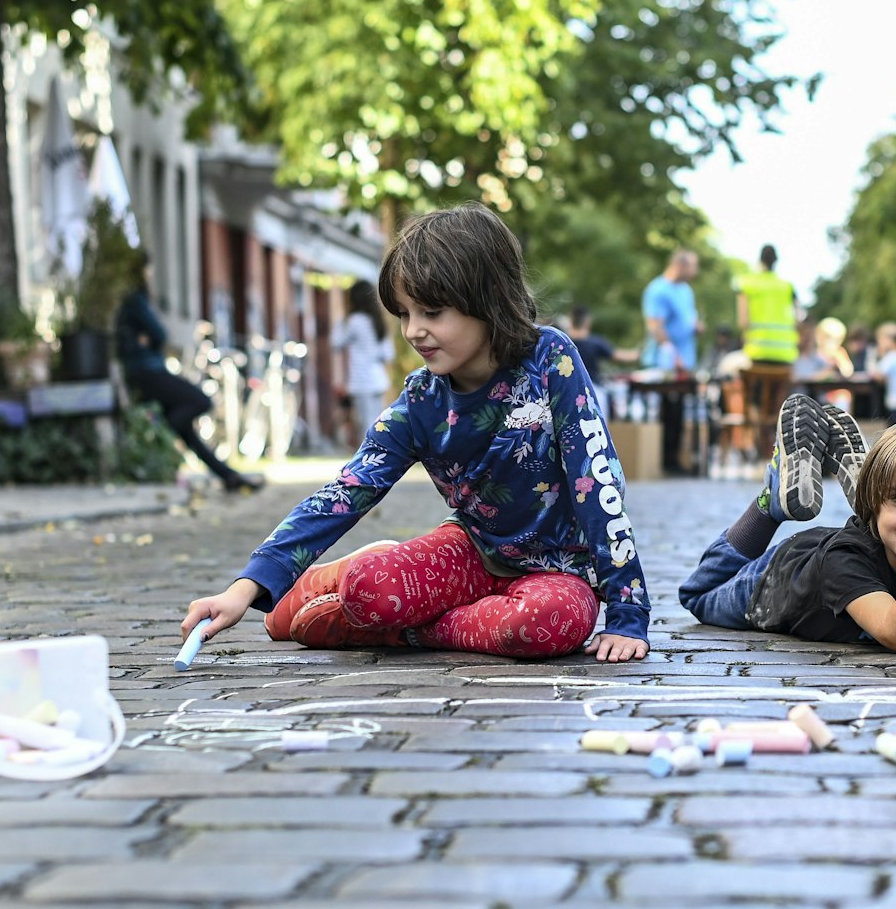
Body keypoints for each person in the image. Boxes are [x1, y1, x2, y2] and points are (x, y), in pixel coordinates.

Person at [180, 204, 650, 663]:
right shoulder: (421, 401)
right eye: (404, 314)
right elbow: (347, 491)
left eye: (431, 311)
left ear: (487, 300)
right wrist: (243, 589)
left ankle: (404, 631)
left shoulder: (551, 359)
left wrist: (627, 610)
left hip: (558, 572)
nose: (413, 331)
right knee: (367, 587)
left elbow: (597, 478)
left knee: (549, 623)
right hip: (470, 553)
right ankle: (347, 583)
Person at [678, 395, 896, 653]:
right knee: (698, 594)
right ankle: (771, 504)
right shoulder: (846, 559)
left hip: (868, 536)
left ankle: (879, 486)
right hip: (777, 578)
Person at [116, 250, 262, 493]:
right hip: (148, 371)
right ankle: (169, 425)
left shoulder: (127, 300)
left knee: (189, 434)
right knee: (200, 400)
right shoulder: (135, 299)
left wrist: (146, 340)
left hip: (143, 370)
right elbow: (159, 334)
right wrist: (149, 341)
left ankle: (228, 476)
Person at [734, 244, 797, 457]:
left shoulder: (748, 283)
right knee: (778, 402)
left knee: (754, 400)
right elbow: (798, 317)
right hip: (785, 356)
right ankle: (777, 442)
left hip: (758, 354)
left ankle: (756, 440)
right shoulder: (787, 286)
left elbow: (742, 321)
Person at [642, 249, 702, 473]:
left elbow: (689, 318)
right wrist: (672, 354)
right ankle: (664, 460)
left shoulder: (686, 290)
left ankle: (675, 458)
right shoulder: (657, 290)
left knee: (679, 413)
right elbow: (655, 325)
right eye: (692, 266)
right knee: (667, 412)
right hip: (665, 363)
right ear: (680, 265)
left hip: (686, 361)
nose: (695, 272)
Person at [331, 279, 393, 439]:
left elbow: (336, 343)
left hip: (361, 379)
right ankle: (380, 456)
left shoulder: (355, 321)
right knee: (378, 422)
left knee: (365, 424)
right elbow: (388, 354)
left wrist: (339, 319)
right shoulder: (378, 321)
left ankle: (370, 459)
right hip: (378, 378)